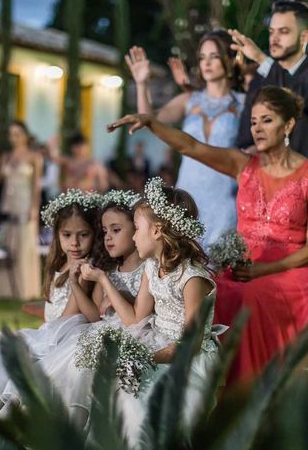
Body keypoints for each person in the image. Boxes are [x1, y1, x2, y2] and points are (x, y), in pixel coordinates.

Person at [108, 85, 308, 385]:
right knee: (217, 290)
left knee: (251, 294)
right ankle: (202, 382)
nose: (257, 129)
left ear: (288, 124)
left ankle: (256, 386)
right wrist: (154, 124)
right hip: (243, 263)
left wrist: (263, 269)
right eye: (253, 121)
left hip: (292, 267)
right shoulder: (243, 165)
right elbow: (191, 147)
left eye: (266, 120)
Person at [80, 178, 217, 440]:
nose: (132, 236)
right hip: (156, 344)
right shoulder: (152, 268)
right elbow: (135, 318)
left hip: (186, 360)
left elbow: (191, 344)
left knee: (142, 407)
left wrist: (144, 359)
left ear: (157, 231)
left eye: (137, 227)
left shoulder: (192, 278)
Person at [230, 0, 308, 288]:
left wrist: (264, 62)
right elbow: (245, 135)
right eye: (271, 32)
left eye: (283, 31)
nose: (274, 38)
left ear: (304, 36)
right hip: (269, 194)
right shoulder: (260, 80)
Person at [0, 189, 102, 418]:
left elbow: (69, 316)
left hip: (64, 336)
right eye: (67, 235)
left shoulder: (84, 269)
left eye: (83, 235)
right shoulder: (60, 264)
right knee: (5, 361)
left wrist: (39, 339)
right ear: (57, 234)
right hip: (51, 331)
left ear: (94, 233)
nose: (74, 243)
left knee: (17, 364)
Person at [126, 31, 244, 249]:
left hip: (226, 197)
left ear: (230, 59)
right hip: (188, 195)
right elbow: (151, 121)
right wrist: (142, 84)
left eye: (214, 56)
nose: (206, 63)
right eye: (202, 57)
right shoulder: (189, 100)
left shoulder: (245, 103)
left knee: (221, 267)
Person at [36, 190, 145, 423]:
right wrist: (75, 283)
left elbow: (137, 316)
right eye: (105, 232)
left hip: (127, 336)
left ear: (137, 229)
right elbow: (95, 315)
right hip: (98, 331)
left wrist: (119, 293)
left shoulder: (147, 269)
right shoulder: (108, 269)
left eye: (115, 230)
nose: (108, 238)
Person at [0, 121, 43, 299]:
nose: (13, 138)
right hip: (8, 202)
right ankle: (6, 289)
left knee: (24, 245)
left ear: (25, 135)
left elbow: (36, 186)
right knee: (8, 244)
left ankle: (25, 288)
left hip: (25, 203)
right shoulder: (5, 156)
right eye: (11, 134)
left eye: (17, 134)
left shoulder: (34, 156)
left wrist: (34, 208)